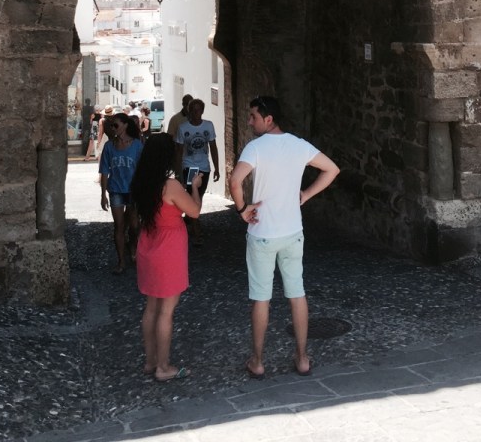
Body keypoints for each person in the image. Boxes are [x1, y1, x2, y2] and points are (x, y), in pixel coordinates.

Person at [229, 95, 340, 380]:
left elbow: (234, 180)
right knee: (297, 294)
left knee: (261, 299)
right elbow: (332, 169)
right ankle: (302, 358)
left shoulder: (255, 148)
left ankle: (258, 362)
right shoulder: (299, 145)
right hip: (292, 232)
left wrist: (243, 210)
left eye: (254, 116)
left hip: (262, 233)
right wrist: (305, 195)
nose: (250, 121)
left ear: (269, 119)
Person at [131, 134, 203, 382]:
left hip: (148, 247)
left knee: (151, 308)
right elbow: (194, 212)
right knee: (166, 312)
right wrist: (194, 186)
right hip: (168, 250)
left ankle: (150, 361)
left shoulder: (142, 182)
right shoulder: (170, 186)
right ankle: (163, 367)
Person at [99, 112, 143, 273]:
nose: (113, 128)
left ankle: (133, 248)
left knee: (134, 225)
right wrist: (103, 194)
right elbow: (104, 171)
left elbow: (142, 169)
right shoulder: (109, 146)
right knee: (119, 225)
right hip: (116, 189)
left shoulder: (137, 145)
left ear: (125, 125)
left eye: (116, 125)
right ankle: (121, 261)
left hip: (133, 190)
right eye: (111, 126)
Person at [174, 98, 220, 244]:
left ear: (202, 111)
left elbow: (213, 147)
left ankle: (191, 219)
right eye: (193, 110)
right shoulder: (183, 128)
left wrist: (217, 167)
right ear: (189, 111)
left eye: (199, 110)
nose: (196, 113)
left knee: (199, 195)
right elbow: (179, 151)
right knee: (193, 196)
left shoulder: (208, 126)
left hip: (204, 167)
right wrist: (179, 172)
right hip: (190, 166)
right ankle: (197, 231)